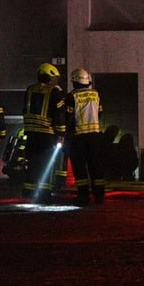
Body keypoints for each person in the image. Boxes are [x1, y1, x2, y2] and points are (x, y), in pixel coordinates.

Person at [22, 62, 66, 202]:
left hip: (30, 133)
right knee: (46, 163)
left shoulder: (29, 90)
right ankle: (44, 193)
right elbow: (59, 114)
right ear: (49, 78)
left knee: (32, 162)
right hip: (46, 134)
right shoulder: (54, 92)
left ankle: (28, 191)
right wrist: (61, 132)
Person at [64, 68, 105, 205]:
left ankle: (83, 196)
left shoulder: (71, 96)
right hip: (95, 136)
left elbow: (69, 117)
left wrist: (66, 133)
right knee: (96, 166)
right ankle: (99, 196)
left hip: (78, 136)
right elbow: (100, 113)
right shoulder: (95, 94)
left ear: (74, 81)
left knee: (80, 167)